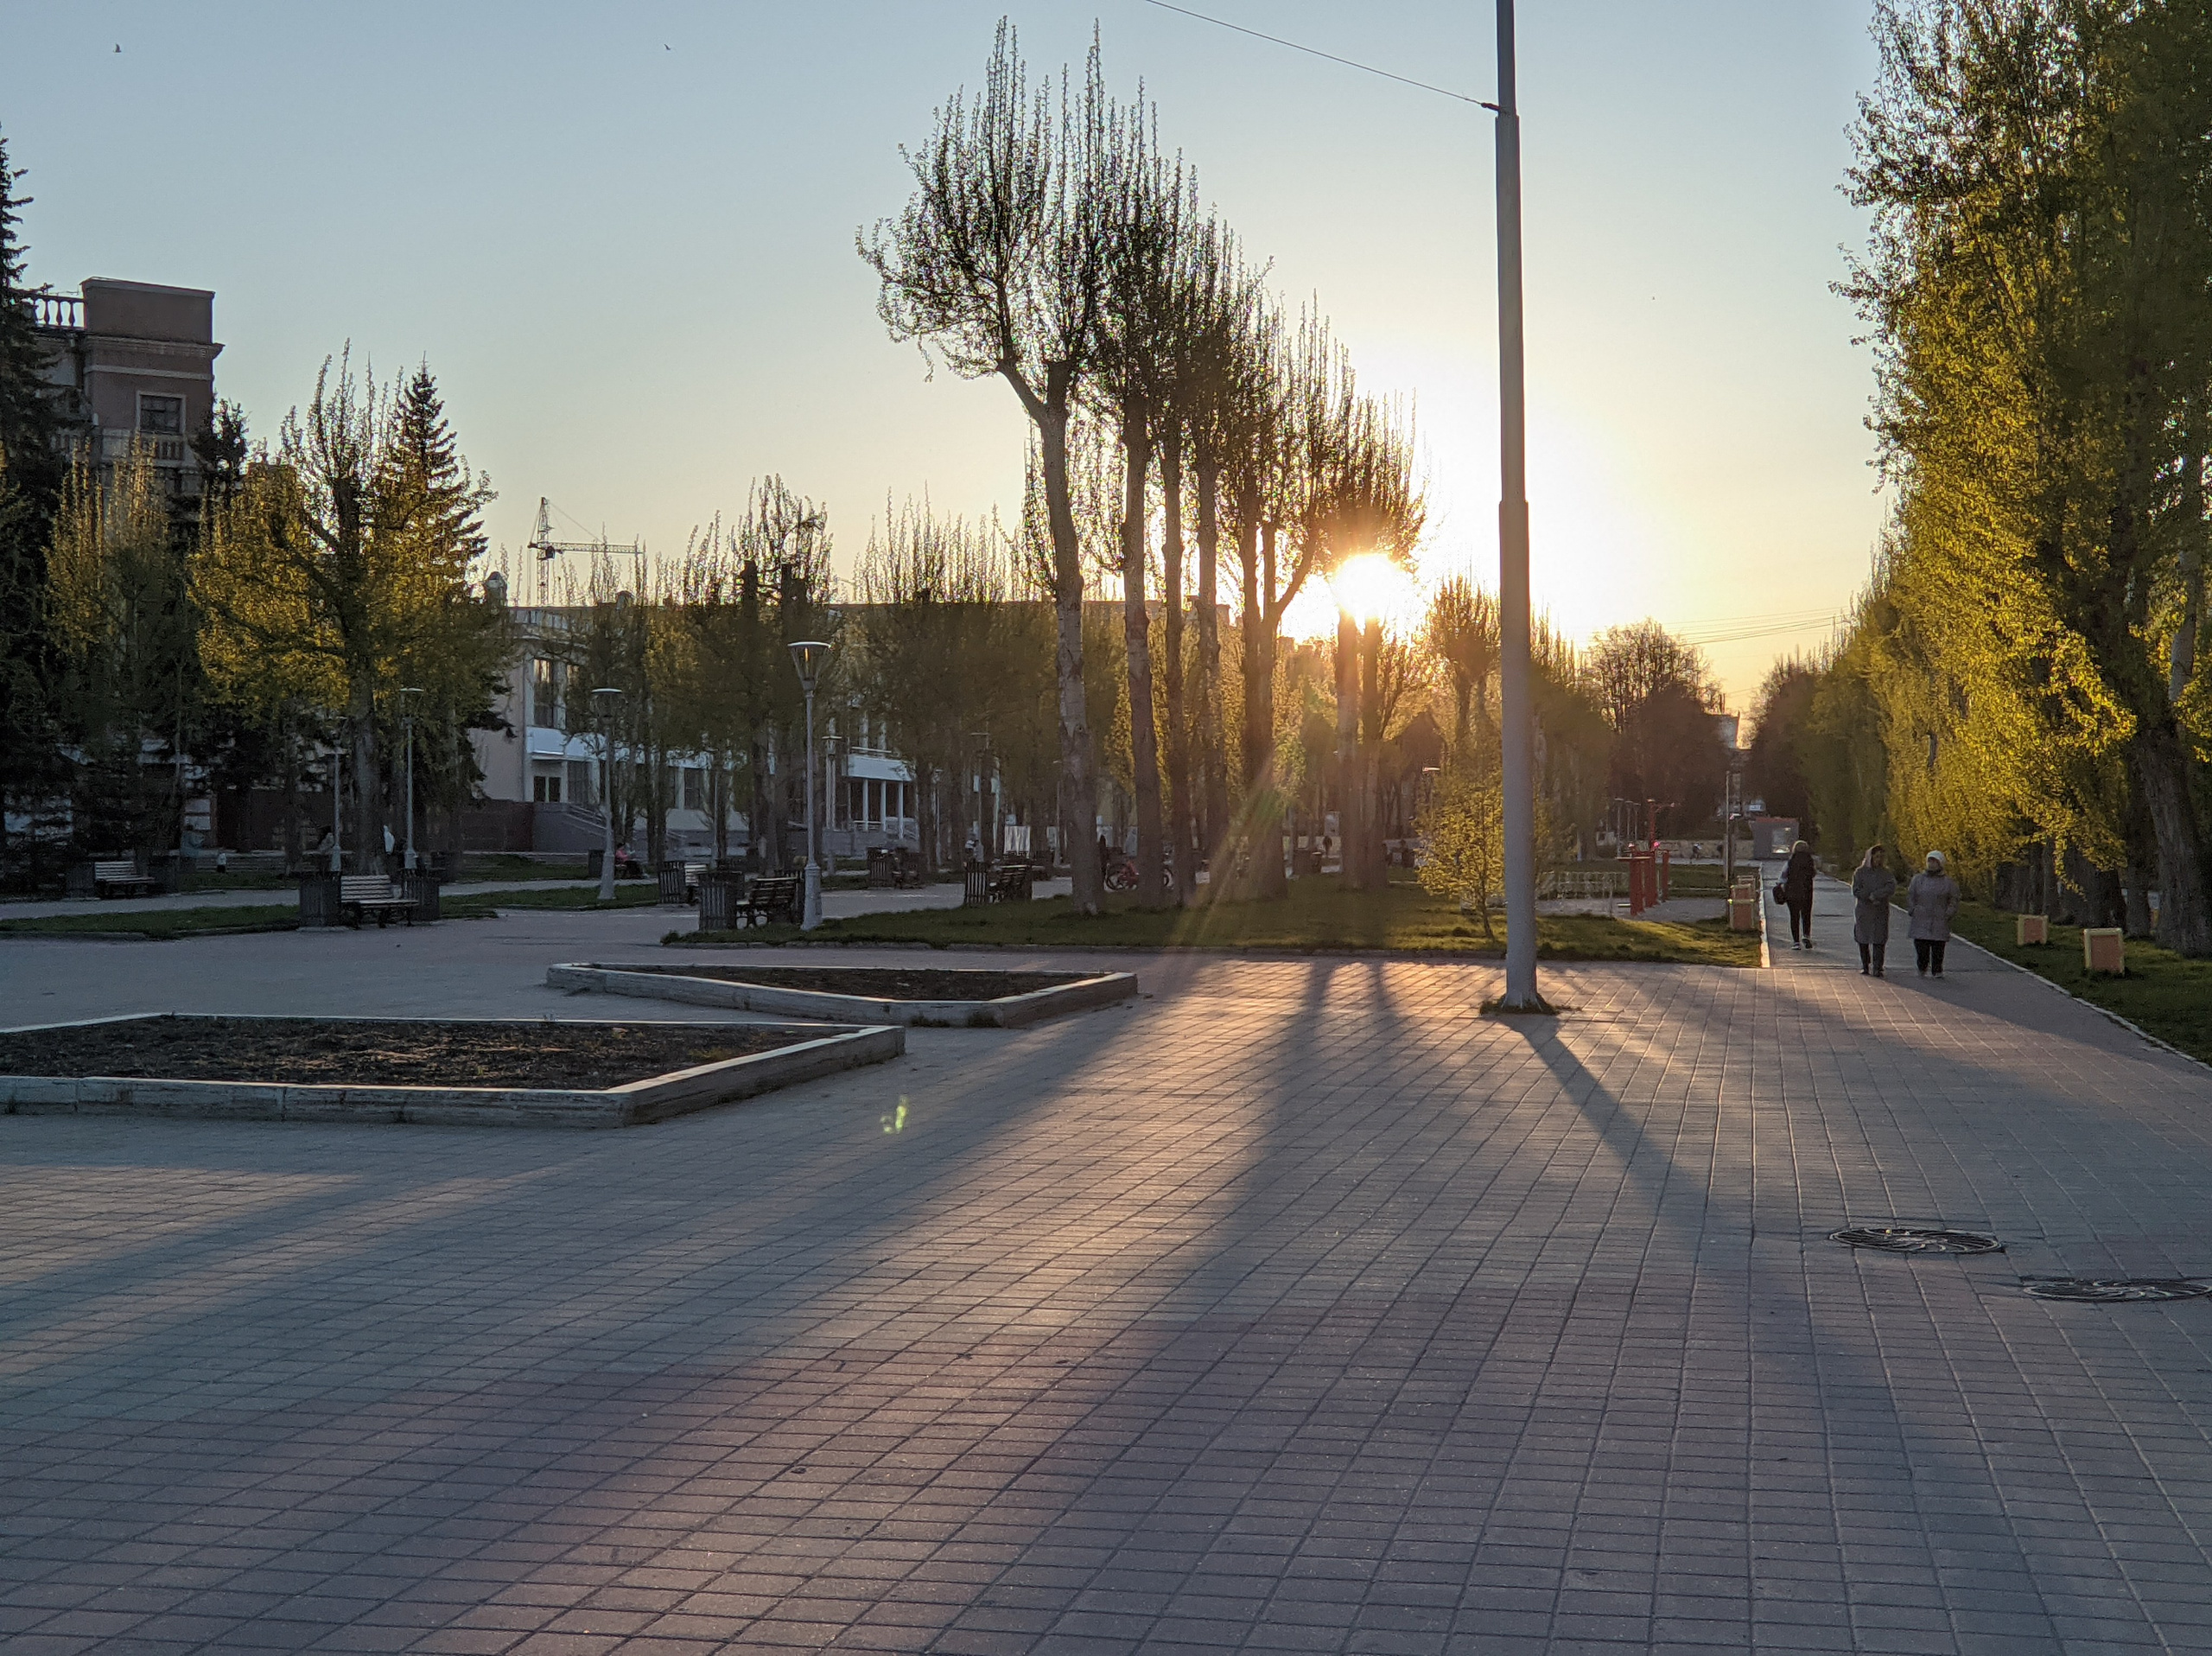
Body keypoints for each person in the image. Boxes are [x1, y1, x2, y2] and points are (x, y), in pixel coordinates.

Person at [1908, 850, 1960, 978]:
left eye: (1935, 862)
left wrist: (1948, 913)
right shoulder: (1918, 880)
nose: (1931, 864)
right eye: (1930, 861)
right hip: (1921, 918)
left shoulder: (1948, 882)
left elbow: (1954, 899)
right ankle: (1922, 967)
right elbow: (1911, 896)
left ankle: (1937, 969)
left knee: (1938, 946)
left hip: (1939, 919)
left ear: (1940, 864)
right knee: (1921, 946)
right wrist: (1913, 909)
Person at [1851, 844, 1897, 976]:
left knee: (1879, 939)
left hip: (1880, 910)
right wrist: (1868, 896)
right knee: (1862, 938)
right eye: (1876, 857)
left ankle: (1878, 967)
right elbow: (1856, 890)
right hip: (1864, 910)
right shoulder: (1860, 872)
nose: (1879, 860)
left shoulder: (1886, 873)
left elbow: (1891, 887)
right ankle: (1865, 965)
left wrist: (1877, 895)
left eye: (1881, 857)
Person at [1781, 838, 1817, 947]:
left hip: (1792, 893)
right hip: (1806, 892)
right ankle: (1806, 935)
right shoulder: (1810, 861)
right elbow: (1813, 874)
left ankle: (1796, 942)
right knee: (1806, 915)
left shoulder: (1791, 861)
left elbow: (1783, 875)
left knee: (1794, 917)